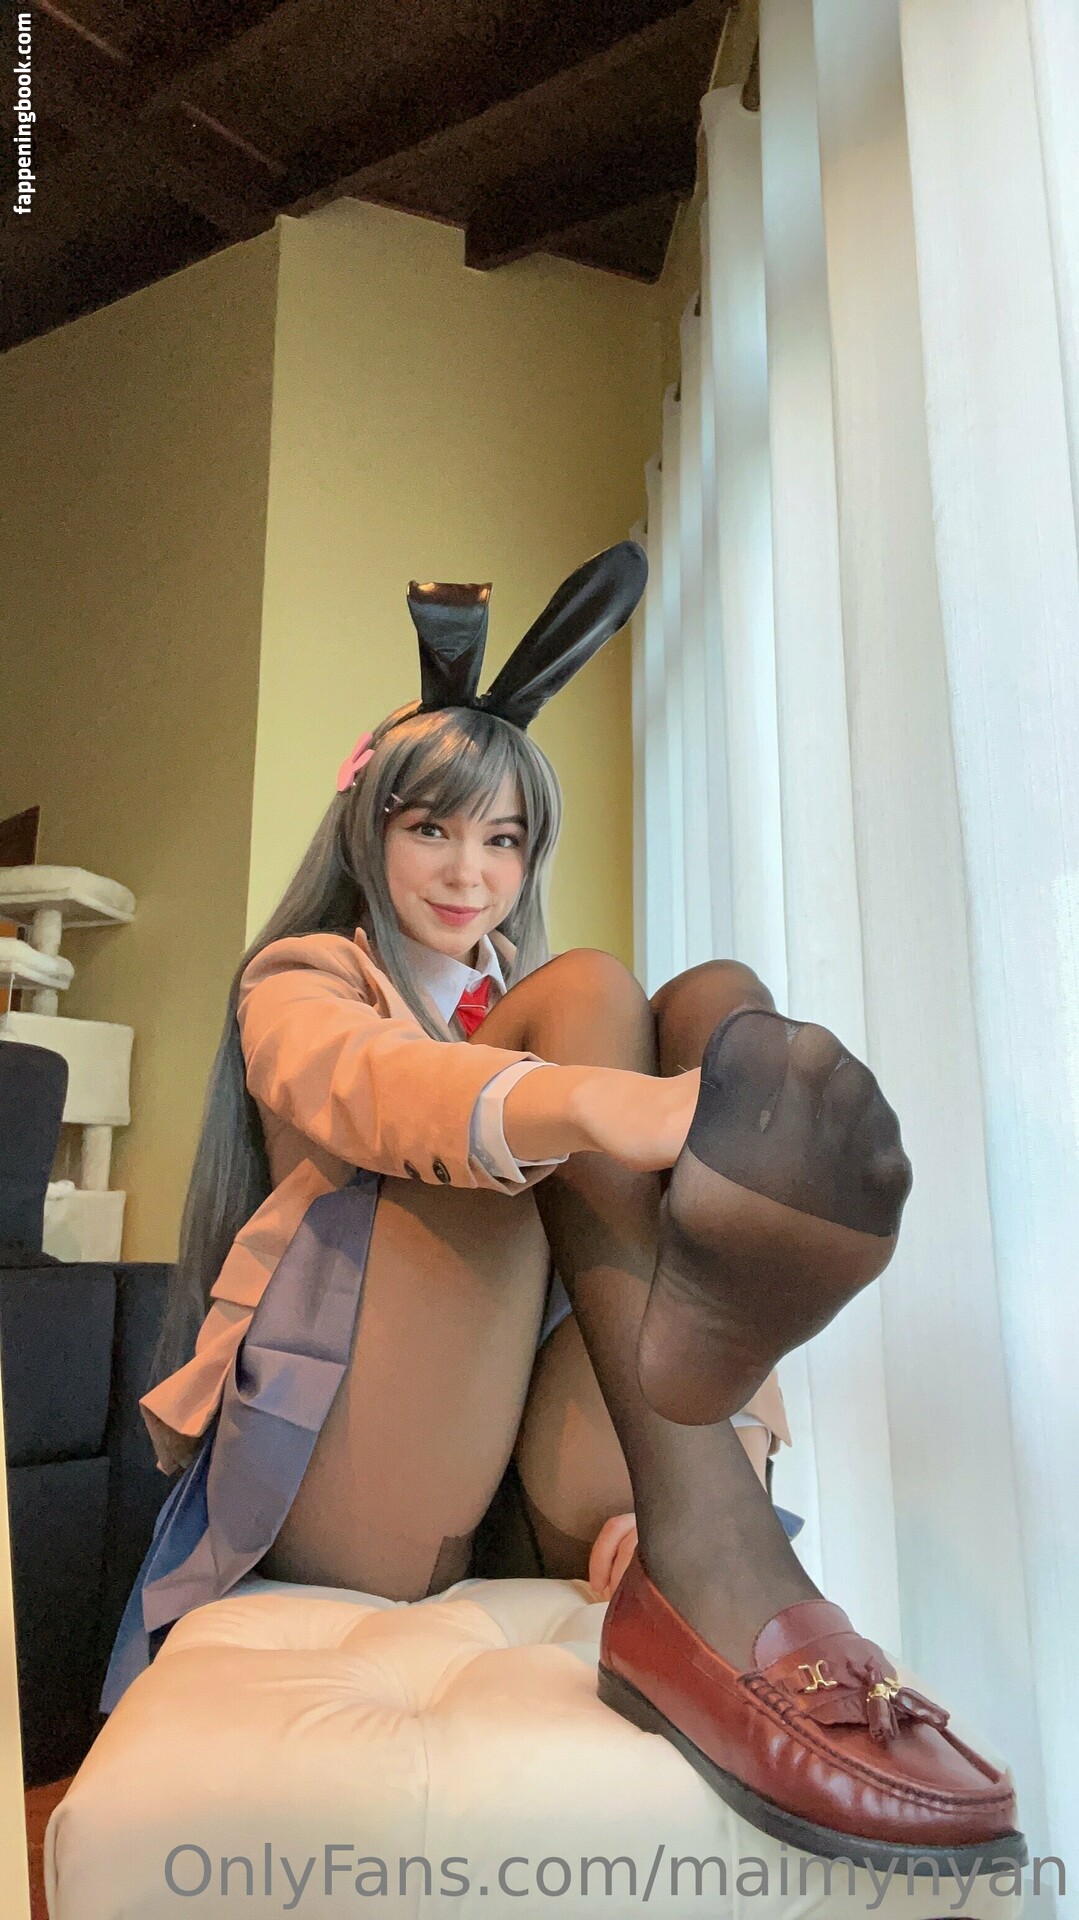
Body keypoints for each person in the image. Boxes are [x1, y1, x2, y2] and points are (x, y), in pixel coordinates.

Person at [106, 545, 1024, 1878]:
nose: (470, 871)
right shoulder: (306, 978)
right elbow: (380, 1090)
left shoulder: (531, 1005)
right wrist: (594, 1102)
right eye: (432, 828)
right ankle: (726, 1550)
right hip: (353, 1483)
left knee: (705, 1003)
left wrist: (719, 1447)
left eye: (505, 838)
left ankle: (703, 1511)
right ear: (368, 831)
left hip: (525, 1484)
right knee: (587, 1006)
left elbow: (681, 1268)